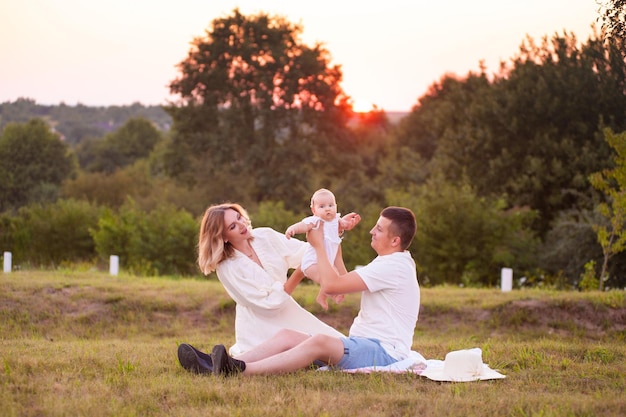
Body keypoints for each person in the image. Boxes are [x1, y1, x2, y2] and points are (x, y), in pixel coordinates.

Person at [180, 206, 420, 377]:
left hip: (384, 352)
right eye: (233, 225)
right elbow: (337, 278)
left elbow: (332, 281)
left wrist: (320, 244)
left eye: (378, 229)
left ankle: (240, 371)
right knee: (287, 336)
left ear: (395, 240)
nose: (371, 231)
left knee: (318, 341)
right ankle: (216, 365)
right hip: (363, 343)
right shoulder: (387, 263)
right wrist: (330, 239)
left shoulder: (393, 266)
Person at [285, 188, 359, 310]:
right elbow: (303, 226)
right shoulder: (315, 221)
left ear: (336, 206)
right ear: (314, 210)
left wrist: (346, 224)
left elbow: (343, 225)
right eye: (322, 206)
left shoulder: (336, 220)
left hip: (326, 262)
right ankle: (332, 294)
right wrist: (293, 229)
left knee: (334, 275)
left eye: (331, 205)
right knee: (329, 277)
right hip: (312, 262)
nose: (327, 209)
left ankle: (322, 296)